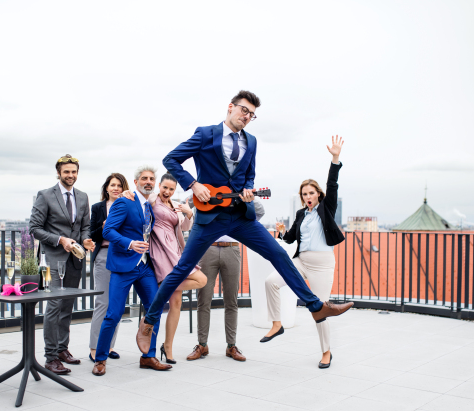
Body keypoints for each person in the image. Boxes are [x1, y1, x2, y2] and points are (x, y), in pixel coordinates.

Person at [136, 91, 353, 356]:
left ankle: (315, 307)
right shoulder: (205, 134)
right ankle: (149, 321)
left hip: (240, 216)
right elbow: (171, 159)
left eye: (252, 114)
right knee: (181, 269)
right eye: (244, 111)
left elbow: (248, 176)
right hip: (209, 219)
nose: (247, 117)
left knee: (277, 253)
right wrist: (194, 184)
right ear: (230, 107)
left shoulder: (251, 142)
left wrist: (248, 190)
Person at [264, 136, 345, 369]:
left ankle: (326, 352)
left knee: (319, 310)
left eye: (311, 193)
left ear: (318, 194)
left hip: (322, 264)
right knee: (271, 282)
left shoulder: (326, 208)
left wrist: (335, 158)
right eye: (304, 194)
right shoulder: (301, 215)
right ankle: (277, 323)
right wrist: (280, 233)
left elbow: (333, 184)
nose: (307, 197)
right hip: (300, 261)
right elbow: (290, 238)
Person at [92, 166, 172, 376]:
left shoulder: (149, 204)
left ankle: (148, 356)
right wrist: (129, 244)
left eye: (151, 179)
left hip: (145, 267)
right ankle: (100, 359)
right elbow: (108, 230)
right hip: (123, 266)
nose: (148, 181)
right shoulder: (124, 201)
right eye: (144, 178)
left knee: (154, 310)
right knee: (114, 313)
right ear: (135, 182)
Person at [123, 173, 207, 364]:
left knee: (177, 303)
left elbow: (183, 227)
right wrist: (129, 192)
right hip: (161, 251)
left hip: (175, 251)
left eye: (171, 189)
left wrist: (189, 213)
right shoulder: (153, 199)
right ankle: (166, 345)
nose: (167, 192)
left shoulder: (175, 204)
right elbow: (140, 197)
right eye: (165, 187)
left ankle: (168, 346)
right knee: (200, 280)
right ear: (159, 186)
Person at [29, 154, 95, 375]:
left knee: (67, 306)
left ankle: (61, 349)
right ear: (58, 173)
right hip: (54, 259)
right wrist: (60, 240)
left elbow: (86, 226)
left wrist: (85, 240)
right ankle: (50, 358)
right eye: (66, 172)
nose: (71, 175)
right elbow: (35, 228)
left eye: (74, 172)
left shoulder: (83, 197)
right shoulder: (46, 195)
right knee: (54, 306)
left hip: (75, 259)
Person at [187, 199, 264, 363]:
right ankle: (202, 344)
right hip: (208, 249)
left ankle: (231, 345)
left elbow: (260, 211)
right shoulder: (209, 194)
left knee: (231, 301)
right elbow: (190, 206)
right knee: (203, 299)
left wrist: (247, 196)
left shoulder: (238, 199)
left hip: (232, 249)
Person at [88, 173, 130, 362]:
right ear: (106, 188)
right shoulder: (98, 208)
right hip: (104, 255)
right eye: (112, 185)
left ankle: (109, 345)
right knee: (103, 303)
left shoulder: (128, 205)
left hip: (122, 255)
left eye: (119, 186)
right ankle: (95, 348)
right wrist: (105, 225)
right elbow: (93, 235)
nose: (116, 188)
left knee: (117, 304)